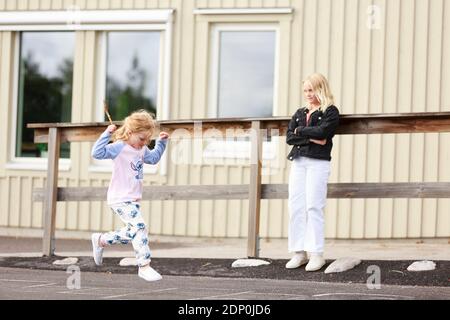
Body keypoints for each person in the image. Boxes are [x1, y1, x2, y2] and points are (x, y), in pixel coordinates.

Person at [90, 109, 169, 281]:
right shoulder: (120, 147)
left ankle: (102, 240)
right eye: (142, 139)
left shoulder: (140, 149)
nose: (144, 143)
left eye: (148, 140)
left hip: (133, 199)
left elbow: (154, 158)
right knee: (140, 227)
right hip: (119, 198)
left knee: (133, 231)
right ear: (131, 132)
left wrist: (161, 143)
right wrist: (106, 133)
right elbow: (97, 153)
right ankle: (144, 265)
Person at [285, 73, 339, 271]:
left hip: (317, 163)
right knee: (295, 206)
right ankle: (298, 252)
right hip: (298, 162)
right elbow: (289, 137)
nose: (308, 94)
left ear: (321, 89)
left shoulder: (330, 112)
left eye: (312, 90)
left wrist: (301, 131)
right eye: (306, 90)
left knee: (314, 206)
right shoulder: (300, 112)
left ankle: (316, 254)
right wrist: (308, 135)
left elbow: (324, 134)